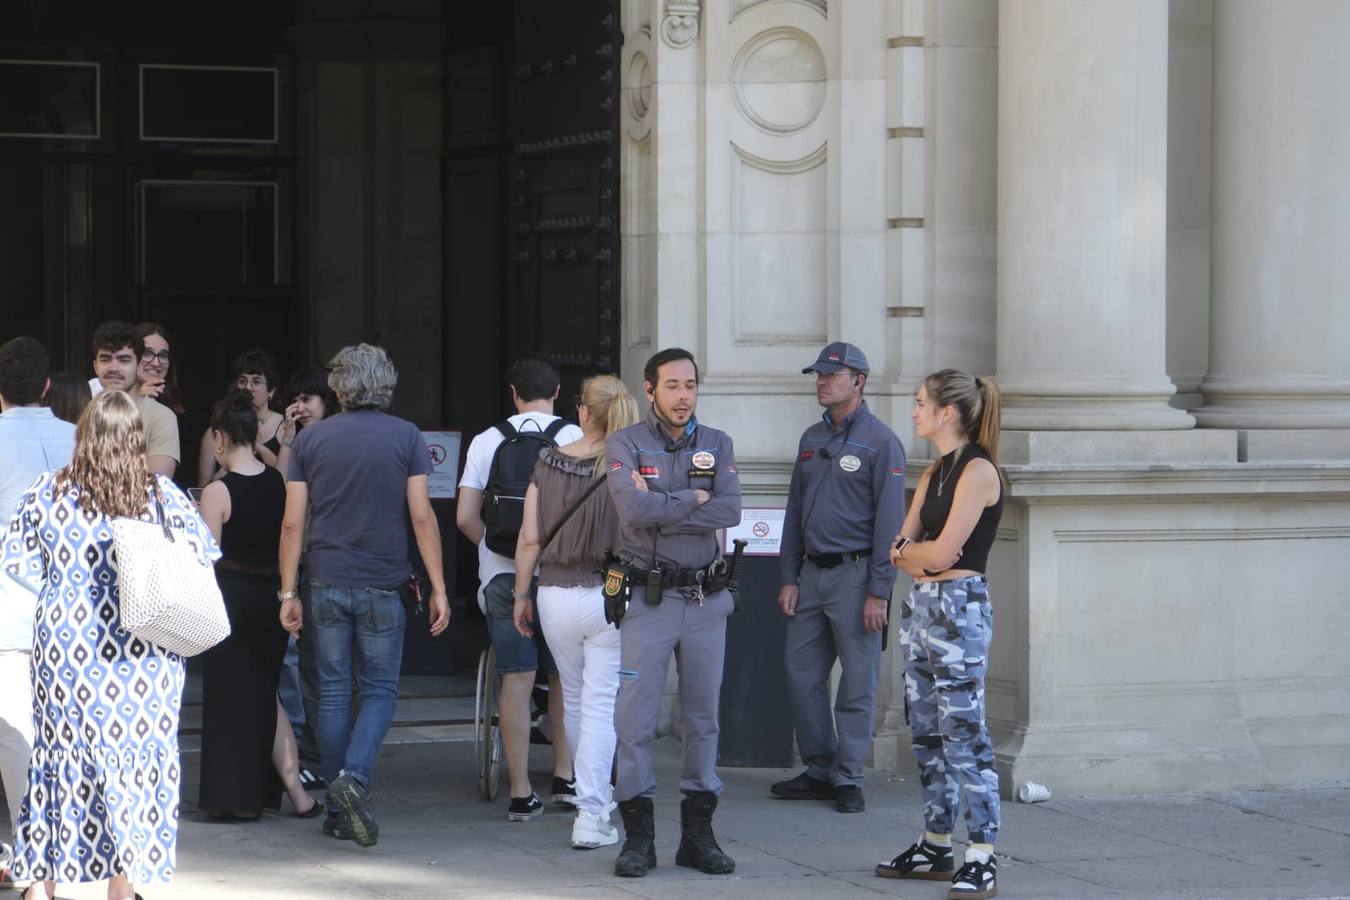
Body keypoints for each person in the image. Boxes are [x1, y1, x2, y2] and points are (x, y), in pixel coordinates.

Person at [1, 390, 217, 900]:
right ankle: (124, 884)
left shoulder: (46, 493)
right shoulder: (162, 496)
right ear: (137, 440)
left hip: (67, 647)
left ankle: (42, 885)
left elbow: (20, 568)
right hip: (144, 650)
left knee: (60, 760)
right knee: (136, 760)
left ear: (83, 435)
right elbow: (203, 556)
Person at [278, 343, 449, 849]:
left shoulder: (311, 440)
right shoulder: (406, 436)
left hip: (326, 579)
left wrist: (288, 590)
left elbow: (293, 522)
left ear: (337, 388)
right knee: (378, 690)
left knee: (330, 691)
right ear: (387, 385)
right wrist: (439, 586)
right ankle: (355, 779)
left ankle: (337, 802)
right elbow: (421, 516)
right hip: (384, 581)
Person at [606, 348, 742, 878]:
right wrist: (693, 497)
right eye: (672, 386)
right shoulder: (627, 443)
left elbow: (730, 510)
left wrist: (665, 501)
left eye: (690, 385)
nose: (683, 396)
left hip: (705, 600)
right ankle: (638, 838)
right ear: (650, 390)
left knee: (703, 719)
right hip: (648, 600)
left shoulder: (717, 443)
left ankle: (697, 836)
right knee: (634, 723)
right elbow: (631, 512)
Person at [875, 369, 1004, 900]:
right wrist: (916, 558)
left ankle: (982, 854)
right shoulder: (935, 473)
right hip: (923, 607)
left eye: (921, 402)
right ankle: (935, 844)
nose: (914, 410)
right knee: (925, 731)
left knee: (965, 733)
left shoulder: (979, 471)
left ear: (948, 412)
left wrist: (917, 557)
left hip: (960, 610)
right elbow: (899, 546)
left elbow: (944, 552)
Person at [773, 342, 907, 813]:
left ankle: (848, 777)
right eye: (819, 375)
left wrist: (879, 592)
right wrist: (788, 575)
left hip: (856, 578)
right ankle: (819, 767)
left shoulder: (882, 442)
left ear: (859, 381)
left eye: (832, 375)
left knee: (857, 682)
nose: (822, 381)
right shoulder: (811, 438)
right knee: (800, 674)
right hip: (811, 575)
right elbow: (793, 511)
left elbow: (891, 525)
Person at [511, 375, 639, 849]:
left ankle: (593, 800)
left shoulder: (547, 460)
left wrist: (522, 594)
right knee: (601, 703)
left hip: (554, 593)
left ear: (584, 412)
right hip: (609, 592)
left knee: (576, 700)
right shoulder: (628, 465)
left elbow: (529, 539)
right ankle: (592, 810)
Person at [456, 355, 580, 821]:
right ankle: (566, 778)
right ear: (557, 393)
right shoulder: (573, 438)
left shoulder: (489, 440)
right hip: (563, 573)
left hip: (505, 576)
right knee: (563, 675)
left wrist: (496, 548)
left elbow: (466, 517)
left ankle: (521, 791)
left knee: (516, 676)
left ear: (512, 393)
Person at [197, 391, 318, 821]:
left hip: (228, 599)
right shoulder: (278, 483)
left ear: (219, 438)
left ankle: (234, 799)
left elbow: (207, 555)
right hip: (271, 599)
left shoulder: (217, 491)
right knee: (267, 696)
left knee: (231, 700)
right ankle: (299, 797)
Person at [0, 338, 76, 887]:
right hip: (76, 612)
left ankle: (33, 866)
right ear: (48, 386)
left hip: (9, 605)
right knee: (64, 735)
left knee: (17, 736)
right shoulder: (80, 440)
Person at [274, 366, 340, 789]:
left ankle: (328, 754)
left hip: (328, 562)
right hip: (308, 562)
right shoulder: (298, 442)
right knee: (315, 667)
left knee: (330, 670)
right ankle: (317, 752)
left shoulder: (334, 442)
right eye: (294, 400)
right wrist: (285, 442)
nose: (299, 408)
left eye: (308, 399)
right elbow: (281, 495)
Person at [90, 320, 180, 477]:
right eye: (105, 359)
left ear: (138, 366)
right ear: (95, 366)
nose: (114, 368)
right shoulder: (83, 409)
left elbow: (157, 487)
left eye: (124, 360)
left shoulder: (161, 417)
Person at [198, 349, 284, 484]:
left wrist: (258, 449)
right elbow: (202, 490)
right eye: (242, 381)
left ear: (271, 391)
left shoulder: (284, 427)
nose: (248, 388)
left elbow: (285, 480)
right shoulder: (214, 433)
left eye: (256, 382)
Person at [134, 322, 185, 415]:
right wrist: (138, 403)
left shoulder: (173, 402)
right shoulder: (109, 398)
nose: (156, 363)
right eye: (147, 353)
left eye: (163, 355)